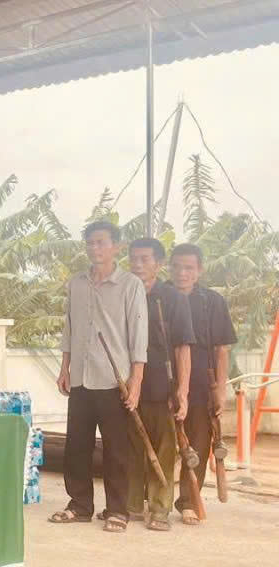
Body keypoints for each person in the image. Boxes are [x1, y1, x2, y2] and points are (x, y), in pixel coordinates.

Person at [49, 221, 148, 532]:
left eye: (101, 242)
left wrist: (136, 382)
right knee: (76, 446)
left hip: (113, 380)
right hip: (80, 377)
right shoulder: (76, 284)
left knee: (117, 450)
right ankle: (79, 505)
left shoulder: (130, 285)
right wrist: (64, 368)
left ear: (115, 246)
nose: (95, 248)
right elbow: (69, 328)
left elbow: (138, 337)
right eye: (90, 243)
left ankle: (118, 510)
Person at [125, 238, 195, 531]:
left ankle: (160, 509)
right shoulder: (124, 291)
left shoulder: (173, 298)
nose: (139, 265)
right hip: (127, 385)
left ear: (159, 263)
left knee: (165, 449)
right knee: (129, 448)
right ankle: (129, 506)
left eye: (145, 259)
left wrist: (183, 391)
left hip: (161, 386)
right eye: (134, 259)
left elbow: (183, 348)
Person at [170, 243, 237, 524]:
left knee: (196, 444)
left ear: (199, 270)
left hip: (201, 385)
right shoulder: (158, 296)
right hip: (161, 382)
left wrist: (220, 390)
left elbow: (222, 350)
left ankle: (188, 501)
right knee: (161, 442)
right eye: (177, 267)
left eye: (189, 268)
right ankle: (155, 499)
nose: (182, 273)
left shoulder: (212, 302)